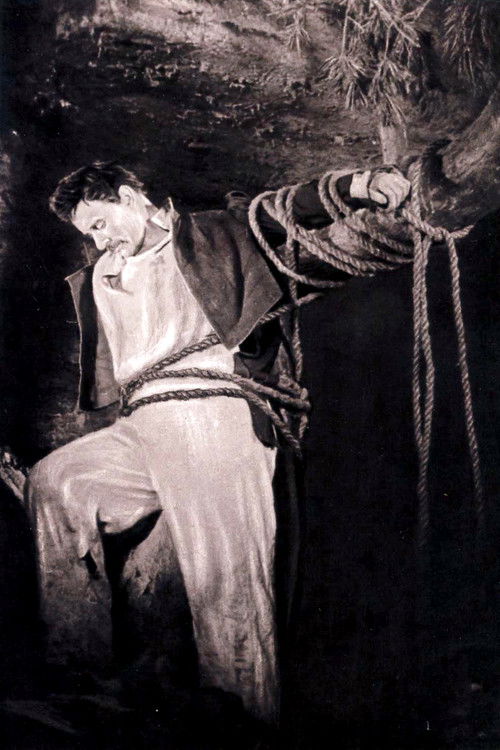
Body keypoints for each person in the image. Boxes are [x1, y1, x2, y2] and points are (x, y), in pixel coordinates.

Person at [25, 161, 411, 723]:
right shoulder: (103, 273)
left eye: (101, 224)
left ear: (130, 197)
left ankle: (248, 717)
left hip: (212, 413)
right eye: (89, 233)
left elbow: (281, 211)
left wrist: (359, 185)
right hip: (141, 422)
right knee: (58, 483)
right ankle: (77, 669)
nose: (98, 240)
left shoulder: (212, 232)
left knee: (226, 580)